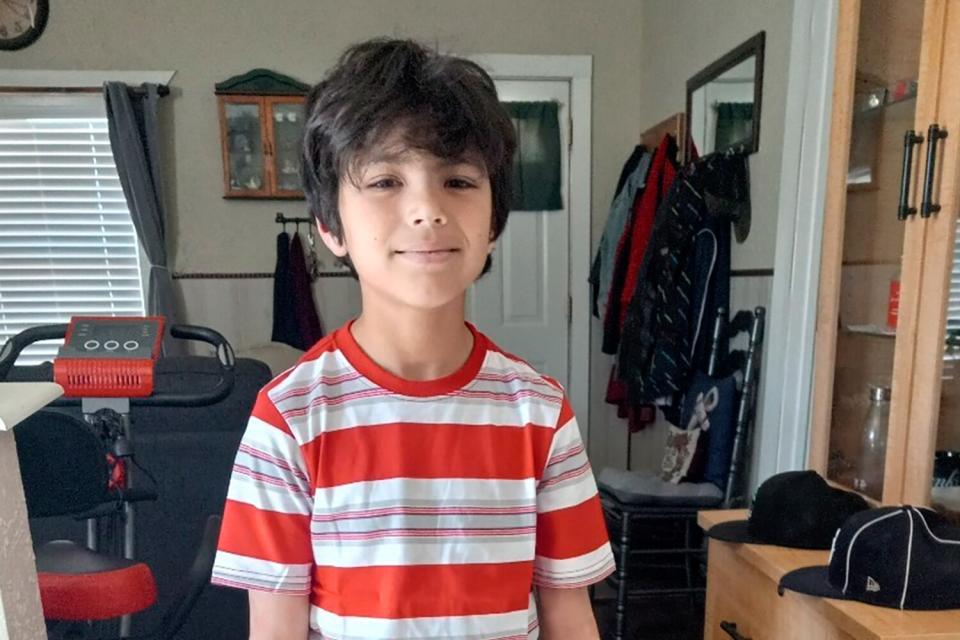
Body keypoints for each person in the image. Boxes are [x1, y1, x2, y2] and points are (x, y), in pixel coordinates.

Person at [211, 37, 614, 640]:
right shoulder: (289, 417)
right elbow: (274, 629)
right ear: (329, 226)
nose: (427, 209)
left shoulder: (540, 412)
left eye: (457, 180)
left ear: (495, 220)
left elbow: (569, 613)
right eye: (384, 182)